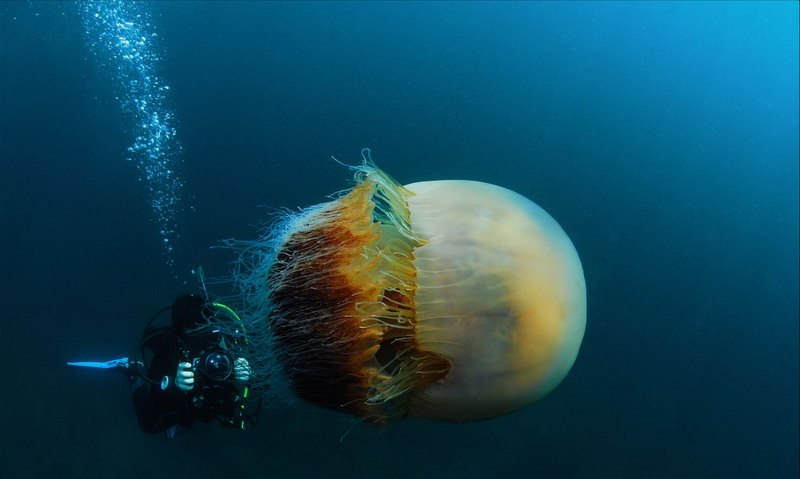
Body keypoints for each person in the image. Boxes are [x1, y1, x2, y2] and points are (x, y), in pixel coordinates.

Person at [130, 294, 255, 438]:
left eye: (209, 329)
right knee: (150, 425)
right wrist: (175, 385)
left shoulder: (228, 339)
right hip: (184, 404)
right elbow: (157, 400)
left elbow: (272, 379)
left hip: (207, 406)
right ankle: (131, 372)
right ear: (181, 334)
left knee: (201, 419)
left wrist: (251, 374)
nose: (207, 341)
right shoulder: (171, 350)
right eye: (196, 335)